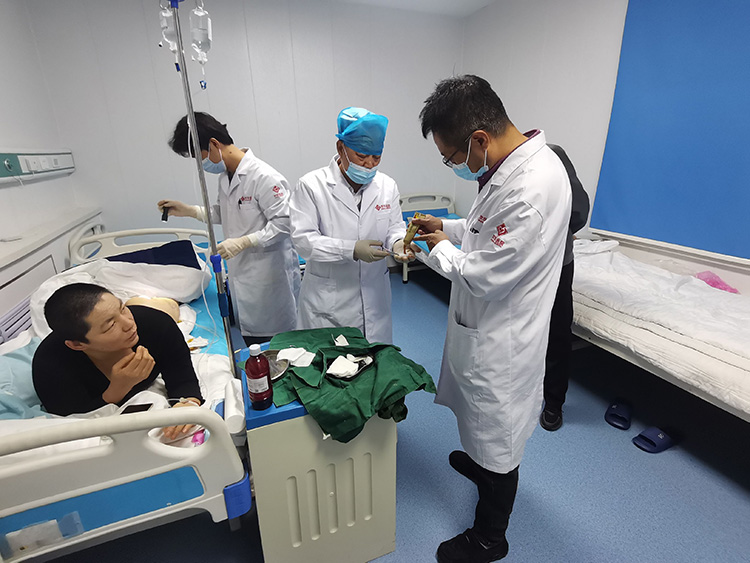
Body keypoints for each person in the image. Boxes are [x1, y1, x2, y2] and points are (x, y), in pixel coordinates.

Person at [413, 75, 572, 563]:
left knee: (498, 436)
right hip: (488, 325)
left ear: (479, 139)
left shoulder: (530, 189)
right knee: (482, 424)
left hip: (504, 339)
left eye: (451, 157)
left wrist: (433, 249)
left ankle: (489, 537)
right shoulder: (511, 165)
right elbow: (485, 226)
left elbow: (484, 275)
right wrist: (446, 225)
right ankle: (482, 467)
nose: (454, 166)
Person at [158, 112, 300, 346]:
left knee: (276, 346)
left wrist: (245, 241)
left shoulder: (264, 177)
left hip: (269, 278)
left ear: (214, 144)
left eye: (199, 156)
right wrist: (190, 211)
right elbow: (226, 212)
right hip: (242, 275)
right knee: (253, 343)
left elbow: (285, 223)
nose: (200, 164)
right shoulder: (225, 177)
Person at [289, 107, 413, 344]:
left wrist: (399, 243)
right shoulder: (311, 186)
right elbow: (304, 242)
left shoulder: (387, 186)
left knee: (376, 360)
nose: (369, 164)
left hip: (375, 300)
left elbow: (395, 227)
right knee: (333, 363)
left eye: (376, 157)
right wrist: (351, 249)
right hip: (329, 306)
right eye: (361, 155)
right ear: (341, 148)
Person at [32, 283, 202, 440]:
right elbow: (71, 418)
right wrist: (117, 389)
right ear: (78, 345)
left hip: (151, 315)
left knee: (167, 307)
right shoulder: (50, 365)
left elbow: (183, 379)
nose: (129, 324)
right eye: (111, 326)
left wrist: (187, 403)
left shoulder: (156, 325)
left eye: (122, 309)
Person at [539, 144, 590, 431]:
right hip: (519, 264)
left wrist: (546, 230)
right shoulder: (498, 168)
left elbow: (579, 210)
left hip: (557, 261)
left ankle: (554, 403)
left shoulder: (552, 156)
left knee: (557, 331)